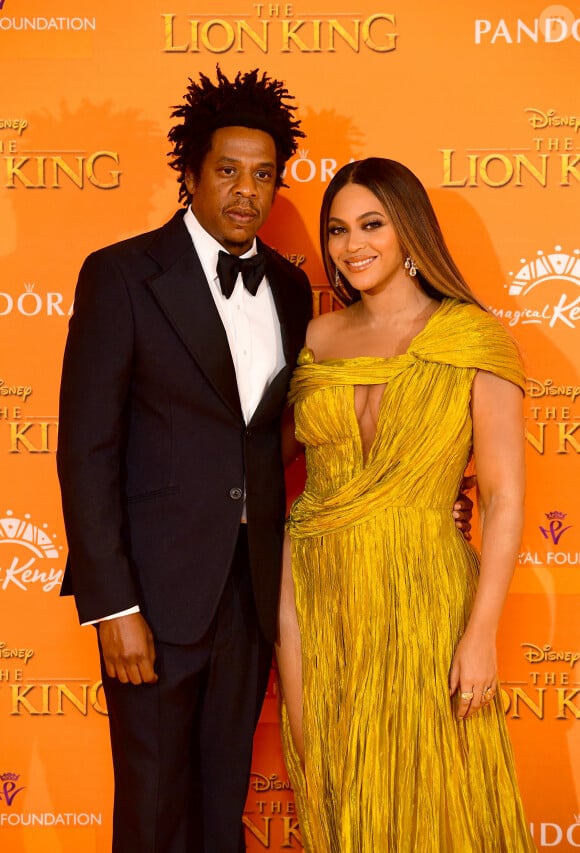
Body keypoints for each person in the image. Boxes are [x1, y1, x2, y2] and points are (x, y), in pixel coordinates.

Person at [56, 67, 313, 853]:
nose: (247, 191)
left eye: (264, 175)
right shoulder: (123, 274)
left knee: (221, 798)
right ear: (191, 173)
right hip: (153, 598)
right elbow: (85, 448)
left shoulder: (293, 290)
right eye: (228, 171)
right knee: (152, 804)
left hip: (251, 590)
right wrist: (113, 605)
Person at [276, 158, 536, 851]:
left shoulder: (472, 337)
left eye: (371, 224)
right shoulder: (314, 339)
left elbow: (506, 497)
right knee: (331, 784)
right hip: (313, 591)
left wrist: (481, 635)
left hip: (424, 593)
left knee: (436, 797)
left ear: (409, 231)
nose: (350, 245)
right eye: (336, 229)